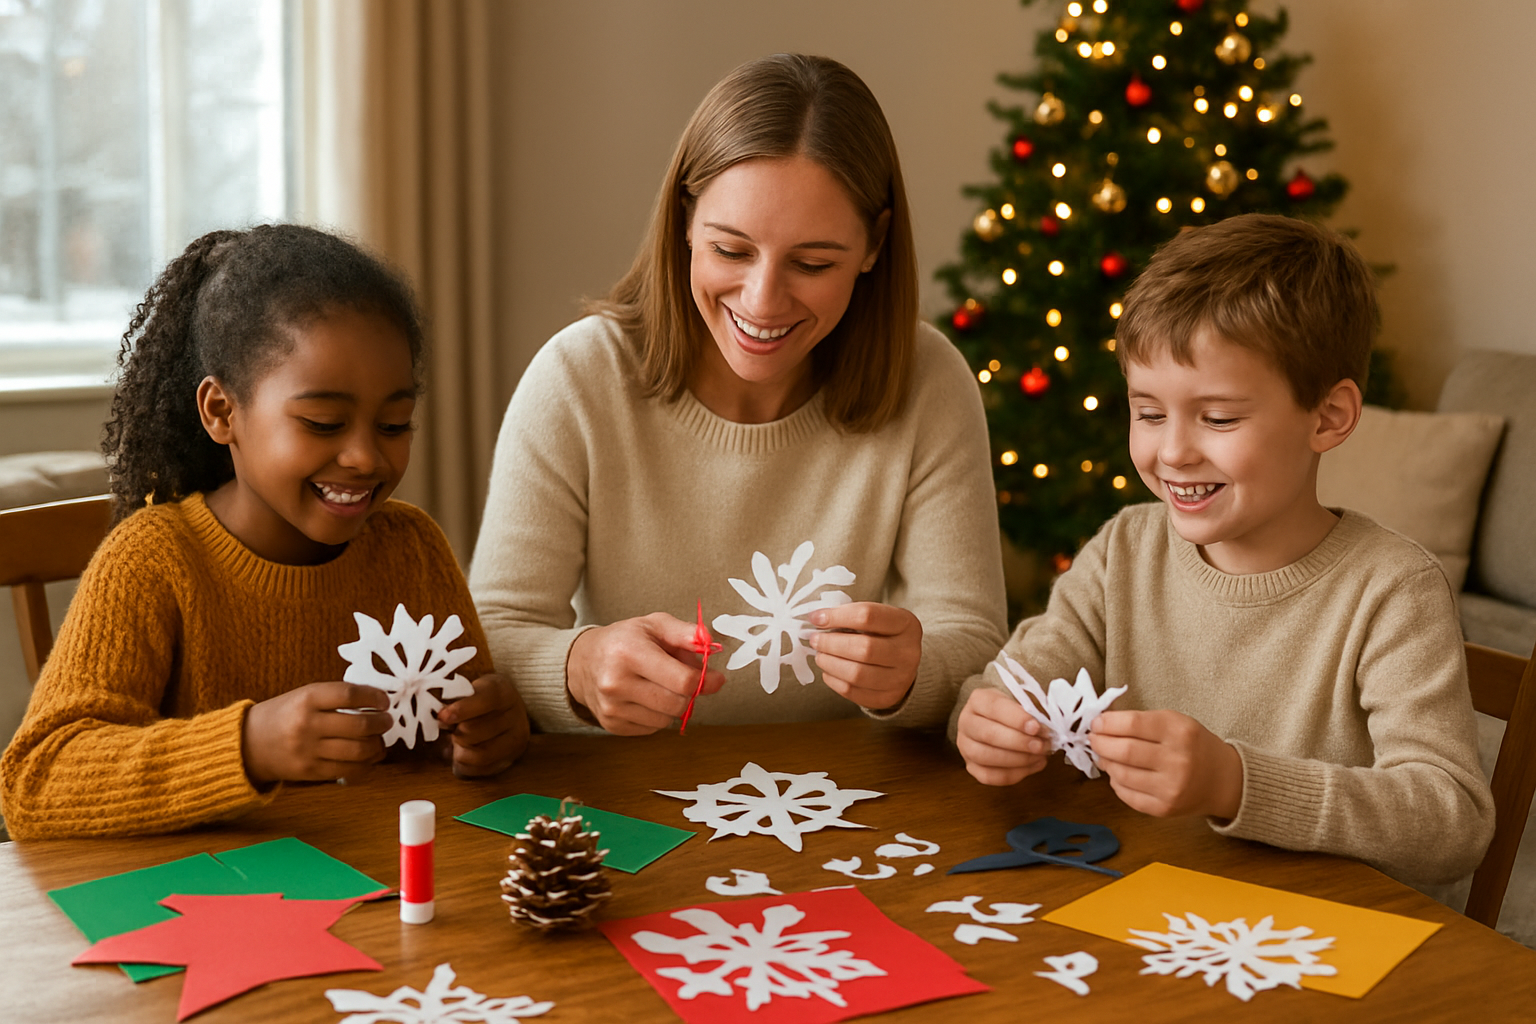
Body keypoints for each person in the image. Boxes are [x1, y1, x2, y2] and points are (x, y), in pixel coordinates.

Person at [470, 54, 1007, 734]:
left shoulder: (929, 382)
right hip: (623, 799)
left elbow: (971, 639)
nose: (762, 300)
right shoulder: (578, 379)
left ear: (874, 243)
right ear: (685, 222)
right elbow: (496, 634)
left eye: (813, 263)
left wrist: (913, 674)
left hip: (848, 797)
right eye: (731, 250)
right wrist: (577, 664)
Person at [951, 214, 1494, 886]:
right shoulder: (1125, 549)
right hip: (1146, 912)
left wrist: (1236, 783)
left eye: (1218, 418)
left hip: (1318, 945)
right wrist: (985, 721)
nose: (1172, 451)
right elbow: (1012, 685)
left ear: (1328, 417)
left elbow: (1451, 824)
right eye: (1149, 413)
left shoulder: (1392, 590)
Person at [0, 225, 529, 839]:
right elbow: (35, 782)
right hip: (197, 906)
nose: (365, 457)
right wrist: (246, 747)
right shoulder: (152, 560)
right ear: (222, 412)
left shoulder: (411, 548)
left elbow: (455, 730)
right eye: (324, 423)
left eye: (394, 424)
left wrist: (494, 731)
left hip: (382, 895)